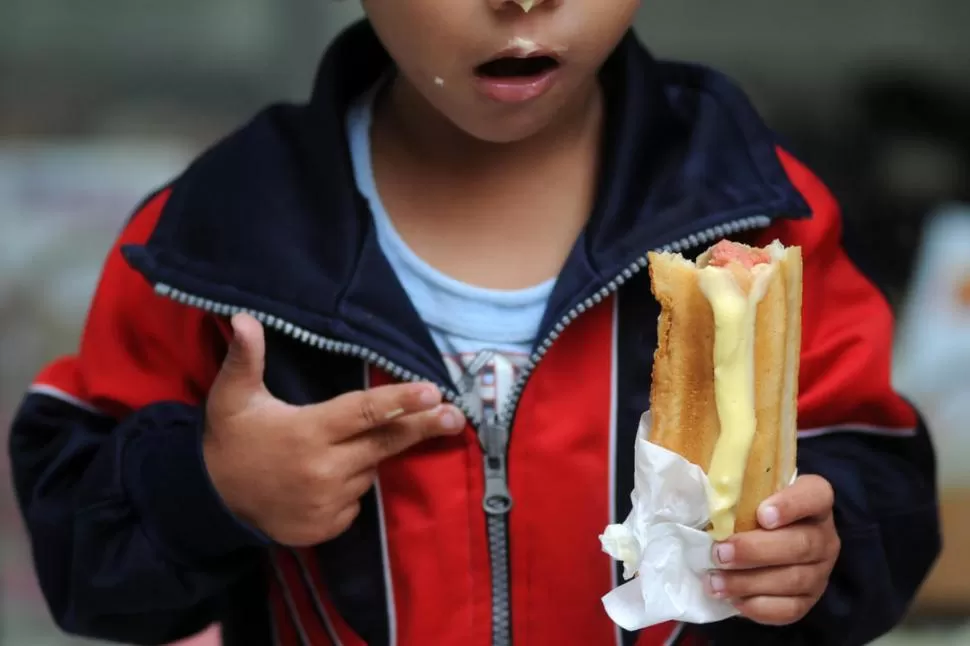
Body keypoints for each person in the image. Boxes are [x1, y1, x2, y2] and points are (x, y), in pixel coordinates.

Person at [7, 1, 940, 645]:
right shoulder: (219, 238)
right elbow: (82, 555)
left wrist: (823, 544)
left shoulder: (759, 214)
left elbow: (882, 478)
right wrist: (210, 490)